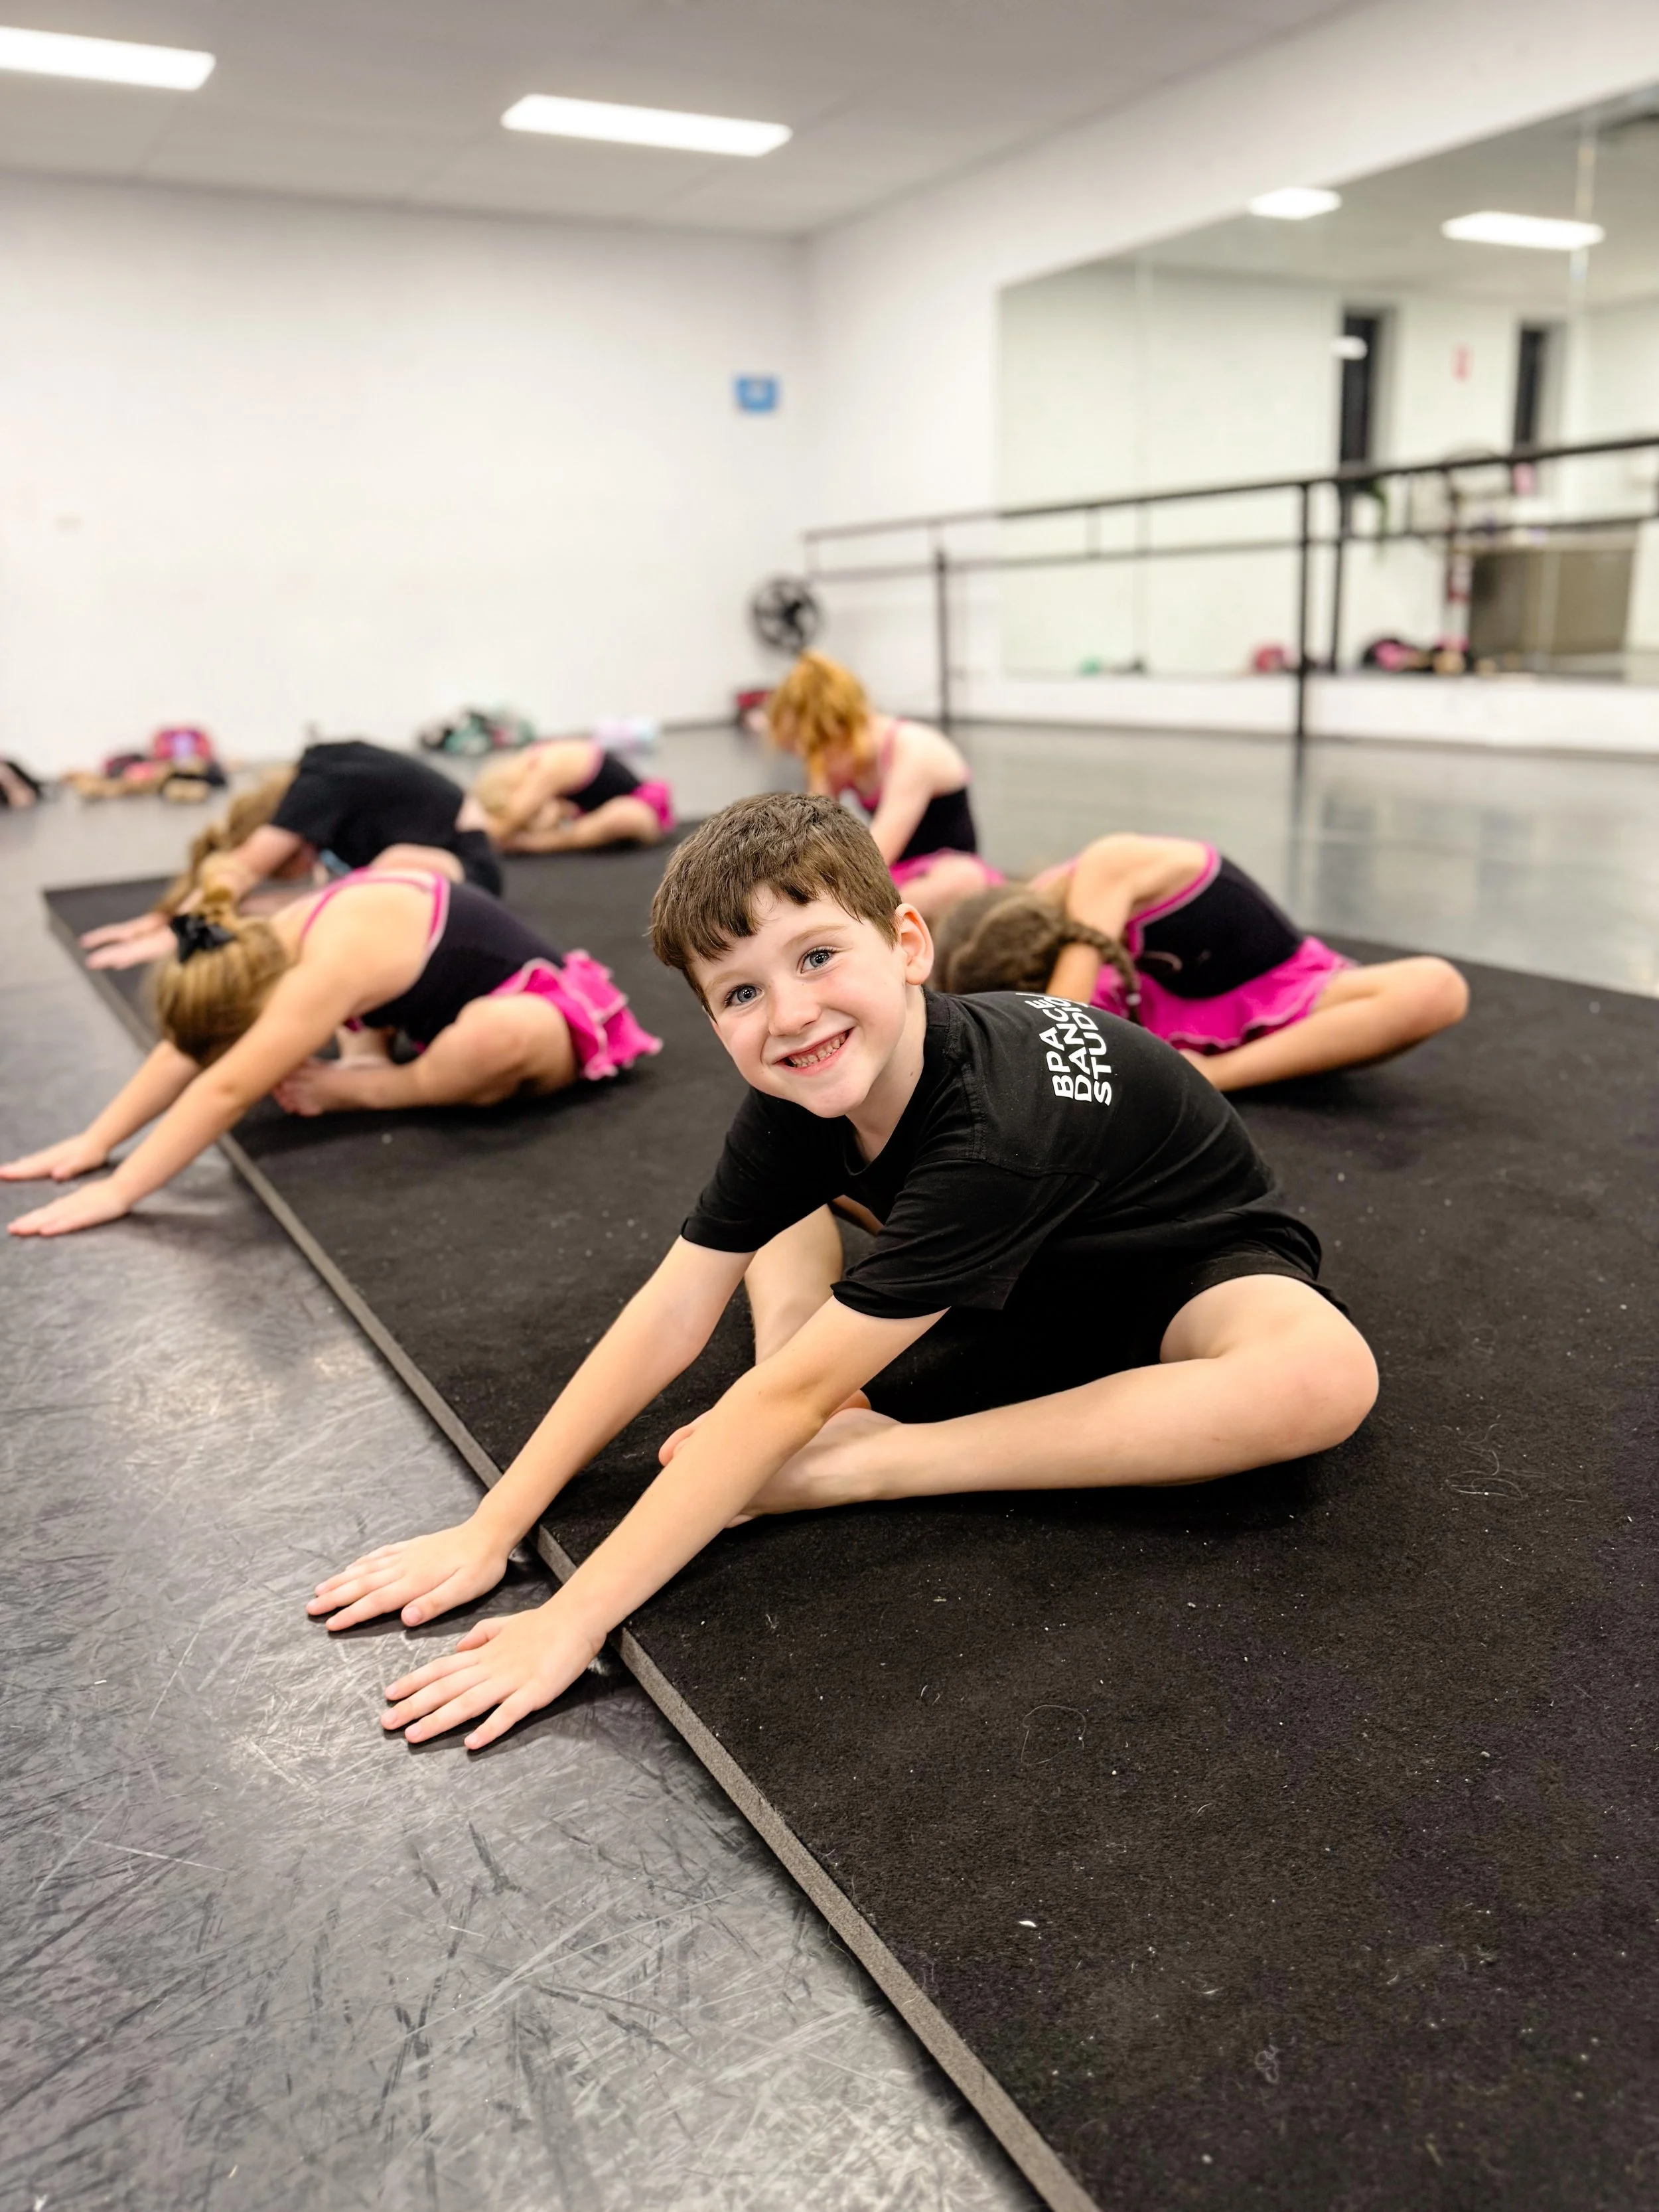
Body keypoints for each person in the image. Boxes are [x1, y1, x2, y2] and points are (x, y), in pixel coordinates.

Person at [307, 793, 1375, 1751]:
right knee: (778, 1211)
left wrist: (568, 1620)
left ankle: (872, 1461)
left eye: (817, 957)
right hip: (996, 1278)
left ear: (908, 942)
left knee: (1321, 1378)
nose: (791, 1016)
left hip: (1177, 1265)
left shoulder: (992, 1131)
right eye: (739, 994)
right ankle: (829, 1374)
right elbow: (674, 1305)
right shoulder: (800, 1091)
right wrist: (491, 1525)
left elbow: (782, 1402)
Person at [3, 865, 659, 1238]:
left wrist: (123, 1189)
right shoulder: (255, 946)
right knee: (390, 1013)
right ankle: (373, 1061)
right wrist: (96, 1139)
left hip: (545, 1019)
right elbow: (194, 1048)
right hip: (428, 1006)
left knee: (493, 1039)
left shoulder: (324, 965)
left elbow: (225, 1087)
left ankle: (374, 1084)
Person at [930, 834, 1469, 1092]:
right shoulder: (1047, 915)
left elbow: (1060, 1014)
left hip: (1282, 985)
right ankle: (1219, 1061)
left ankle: (1219, 1071)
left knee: (1438, 989)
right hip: (1173, 1006)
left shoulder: (1106, 866)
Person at [78, 739, 504, 971]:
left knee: (344, 896)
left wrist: (175, 938)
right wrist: (161, 917)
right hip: (449, 837)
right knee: (276, 906)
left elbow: (240, 867)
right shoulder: (317, 781)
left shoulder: (317, 792)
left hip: (469, 872)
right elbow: (232, 869)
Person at [766, 652, 1001, 921]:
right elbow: (815, 835)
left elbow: (877, 855)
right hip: (900, 873)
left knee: (964, 880)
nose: (811, 764)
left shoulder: (913, 751)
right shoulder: (843, 756)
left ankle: (858, 915)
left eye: (812, 753)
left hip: (939, 869)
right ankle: (860, 914)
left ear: (839, 731)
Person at [471, 739, 675, 854]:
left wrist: (470, 832)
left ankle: (536, 844)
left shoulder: (545, 768)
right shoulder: (534, 759)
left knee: (623, 818)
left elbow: (507, 823)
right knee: (548, 815)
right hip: (596, 809)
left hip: (643, 813)